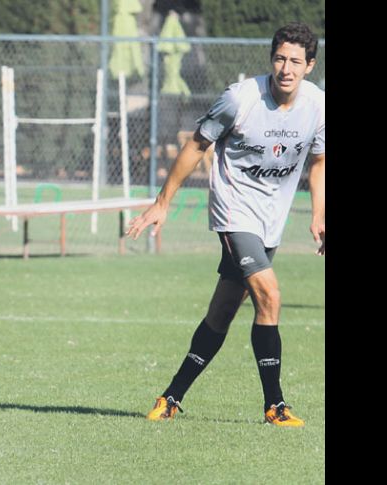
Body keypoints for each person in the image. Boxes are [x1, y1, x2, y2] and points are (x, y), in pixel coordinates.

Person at [126, 22, 324, 427]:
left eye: (295, 61)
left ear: (310, 66)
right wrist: (163, 202)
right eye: (280, 58)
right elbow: (197, 144)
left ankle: (171, 396)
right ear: (271, 59)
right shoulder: (240, 99)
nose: (286, 68)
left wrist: (319, 213)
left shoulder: (319, 107)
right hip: (234, 211)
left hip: (272, 218)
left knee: (221, 313)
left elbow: (319, 162)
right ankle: (275, 406)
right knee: (269, 294)